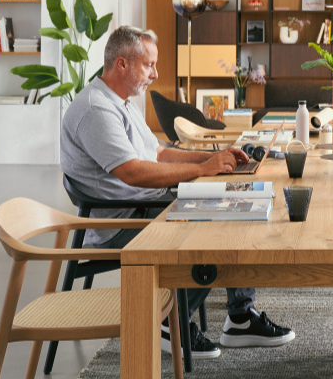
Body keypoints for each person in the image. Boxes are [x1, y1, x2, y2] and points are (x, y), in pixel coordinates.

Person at [60, 25, 295, 356]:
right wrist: (201, 171)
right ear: (122, 64)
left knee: (237, 202)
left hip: (145, 203)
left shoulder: (122, 101)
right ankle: (170, 322)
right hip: (124, 221)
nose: (156, 74)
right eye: (149, 65)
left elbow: (157, 153)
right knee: (218, 223)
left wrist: (214, 157)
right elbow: (132, 172)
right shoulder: (96, 109)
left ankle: (240, 318)